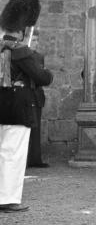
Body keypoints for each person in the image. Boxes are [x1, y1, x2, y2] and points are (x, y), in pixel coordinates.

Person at [0, 0, 53, 213]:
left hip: (2, 105)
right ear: (22, 29)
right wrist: (47, 71)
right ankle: (8, 198)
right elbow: (43, 78)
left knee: (3, 151)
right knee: (13, 154)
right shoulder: (21, 50)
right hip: (19, 107)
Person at [27, 29, 49, 168]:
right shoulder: (20, 56)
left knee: (36, 129)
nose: (36, 43)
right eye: (33, 40)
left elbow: (41, 76)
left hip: (36, 96)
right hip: (25, 96)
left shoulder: (39, 56)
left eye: (37, 40)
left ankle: (35, 159)